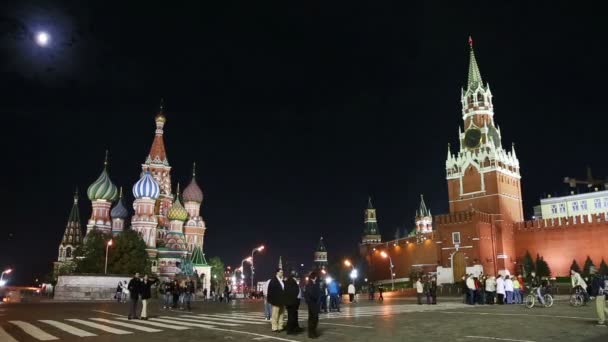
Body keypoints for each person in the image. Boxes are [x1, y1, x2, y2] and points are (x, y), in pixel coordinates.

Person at [284, 271, 303, 335]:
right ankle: (290, 330)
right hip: (291, 302)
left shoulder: (290, 281)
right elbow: (291, 292)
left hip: (293, 302)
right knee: (291, 316)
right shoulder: (290, 282)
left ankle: (295, 327)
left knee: (294, 315)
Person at [267, 268, 286, 332]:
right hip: (276, 301)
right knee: (275, 315)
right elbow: (270, 291)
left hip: (282, 300)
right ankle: (274, 327)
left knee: (281, 314)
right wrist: (271, 300)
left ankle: (280, 326)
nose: (282, 273)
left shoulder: (282, 280)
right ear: (277, 273)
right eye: (281, 272)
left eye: (282, 272)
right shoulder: (273, 280)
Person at [305, 272, 321, 339]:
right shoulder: (311, 284)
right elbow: (312, 294)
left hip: (313, 303)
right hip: (313, 303)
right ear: (314, 277)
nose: (317, 278)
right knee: (313, 319)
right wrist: (317, 297)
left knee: (313, 318)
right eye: (316, 277)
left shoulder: (312, 284)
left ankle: (312, 332)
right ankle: (312, 333)